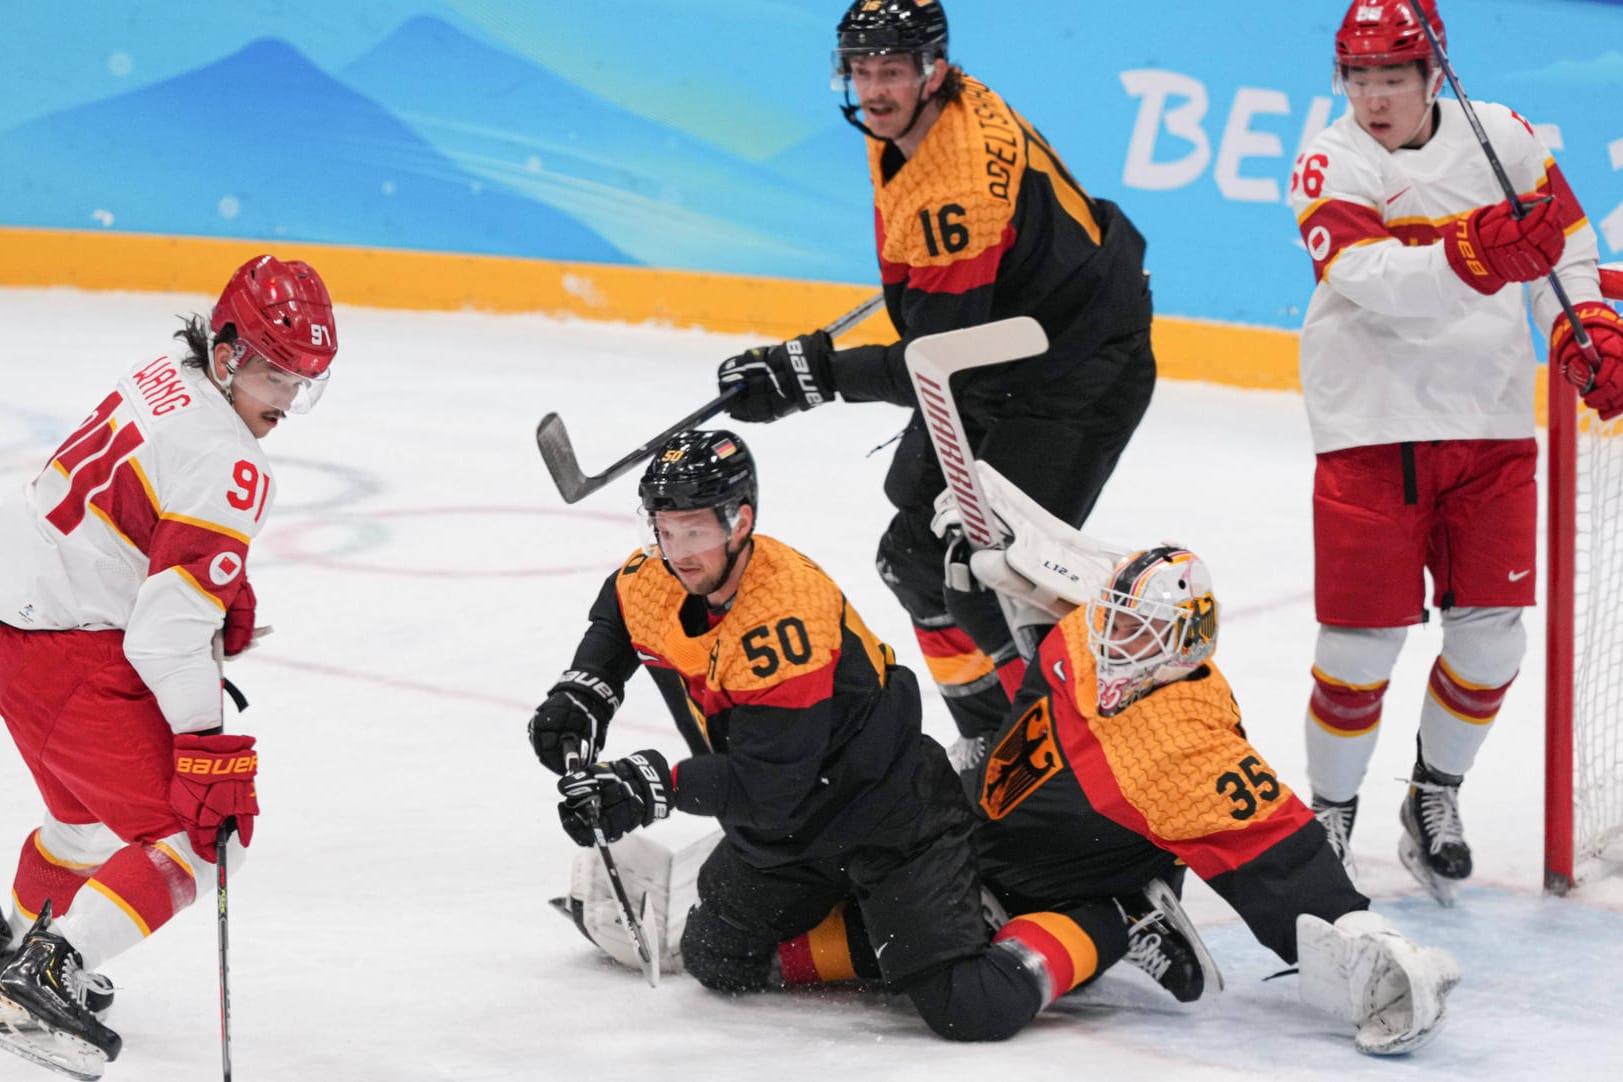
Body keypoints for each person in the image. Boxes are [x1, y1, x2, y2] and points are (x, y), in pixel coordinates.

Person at [527, 430, 1206, 1042]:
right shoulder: (655, 576)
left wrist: (652, 786)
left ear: (740, 521)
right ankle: (928, 920)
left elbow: (770, 786)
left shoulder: (783, 615)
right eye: (666, 532)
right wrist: (586, 686)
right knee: (716, 961)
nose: (679, 554)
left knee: (966, 1005)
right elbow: (619, 613)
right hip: (789, 836)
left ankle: (1114, 915)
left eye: (695, 532)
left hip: (888, 819)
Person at [712, 0, 1157, 745]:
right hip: (1013, 350)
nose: (874, 89)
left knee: (997, 578)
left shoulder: (957, 188)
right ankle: (996, 744)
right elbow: (944, 329)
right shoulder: (912, 121)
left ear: (934, 71)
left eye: (890, 71)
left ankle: (1067, 759)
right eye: (861, 70)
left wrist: (807, 376)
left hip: (1075, 373)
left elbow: (933, 361)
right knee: (913, 560)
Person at [1286, 0, 1622, 904]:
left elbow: (1570, 245)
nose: (1374, 97)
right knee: (1358, 647)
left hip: (1491, 422)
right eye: (1358, 78)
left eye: (1392, 77)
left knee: (1492, 639)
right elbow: (1369, 279)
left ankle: (1433, 795)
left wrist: (1580, 323)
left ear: (1434, 74)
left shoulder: (1504, 139)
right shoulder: (1329, 159)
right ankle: (1331, 808)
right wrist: (1477, 250)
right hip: (1369, 427)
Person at [0, 255, 337, 1075]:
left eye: (302, 381)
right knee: (207, 835)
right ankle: (48, 970)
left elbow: (146, 493)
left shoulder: (163, 374)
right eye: (271, 373)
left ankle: (17, 943)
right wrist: (208, 750)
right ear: (225, 352)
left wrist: (218, 571)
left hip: (17, 627)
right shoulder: (233, 462)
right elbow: (166, 636)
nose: (284, 400)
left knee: (83, 823)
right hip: (74, 652)